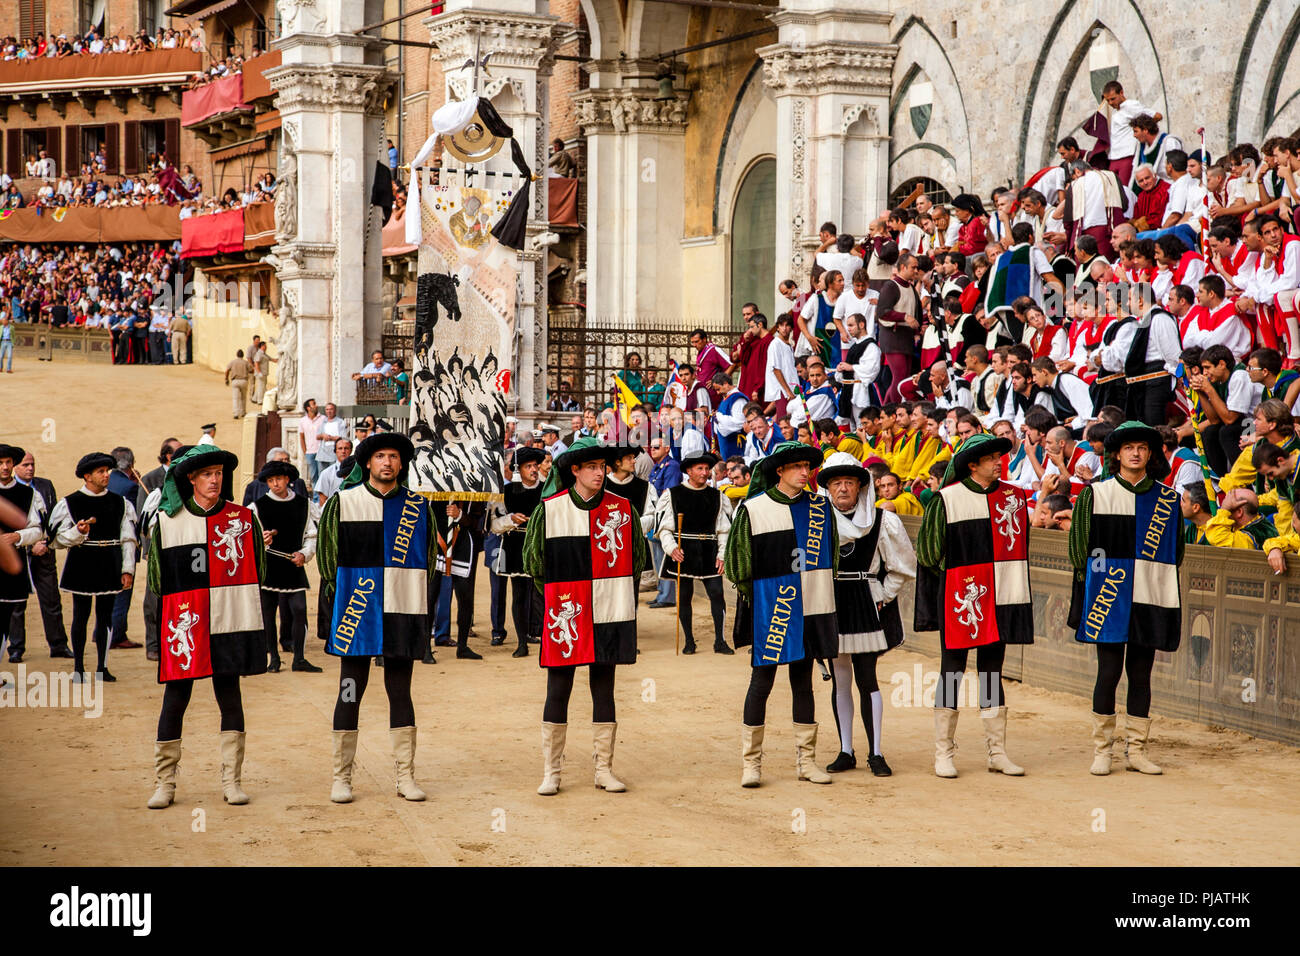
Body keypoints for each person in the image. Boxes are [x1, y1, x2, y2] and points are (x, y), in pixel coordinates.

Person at [522, 437, 648, 796]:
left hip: (610, 608)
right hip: (568, 609)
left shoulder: (623, 508)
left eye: (602, 467)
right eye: (591, 467)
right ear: (574, 470)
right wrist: (566, 594)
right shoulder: (550, 509)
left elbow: (637, 559)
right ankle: (552, 771)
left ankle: (604, 769)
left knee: (603, 687)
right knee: (558, 687)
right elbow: (535, 564)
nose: (599, 473)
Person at [146, 445, 268, 809]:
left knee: (230, 696)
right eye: (206, 474)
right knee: (176, 699)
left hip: (230, 619)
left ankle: (232, 781)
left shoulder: (244, 518)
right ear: (191, 479)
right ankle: (164, 783)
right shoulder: (167, 522)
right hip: (187, 621)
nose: (215, 480)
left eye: (218, 472)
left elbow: (258, 569)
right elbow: (157, 581)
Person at [317, 433, 435, 803]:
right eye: (380, 456)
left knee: (400, 692)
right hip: (358, 613)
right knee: (349, 691)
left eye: (394, 457)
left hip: (402, 608)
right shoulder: (344, 503)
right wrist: (348, 603)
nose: (387, 462)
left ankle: (405, 777)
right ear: (367, 463)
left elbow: (429, 562)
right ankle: (342, 778)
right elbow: (327, 560)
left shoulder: (419, 506)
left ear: (402, 464)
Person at [915, 433, 1033, 778]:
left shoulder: (1015, 496)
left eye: (1000, 456)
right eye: (991, 458)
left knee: (991, 671)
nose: (999, 462)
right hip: (961, 596)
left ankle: (997, 752)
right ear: (972, 464)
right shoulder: (946, 499)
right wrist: (963, 580)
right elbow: (929, 553)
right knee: (952, 669)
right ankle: (943, 752)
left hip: (1002, 594)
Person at [1069, 422, 1183, 775]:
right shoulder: (1095, 494)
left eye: (1143, 448)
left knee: (1141, 675)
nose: (1136, 453)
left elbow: (1176, 552)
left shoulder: (1168, 499)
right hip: (1109, 595)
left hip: (1150, 593)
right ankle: (1102, 750)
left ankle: (1137, 751)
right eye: (1129, 447)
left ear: (1151, 454)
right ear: (1116, 454)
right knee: (1108, 673)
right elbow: (1079, 550)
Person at [724, 441, 838, 788]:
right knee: (762, 683)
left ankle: (807, 762)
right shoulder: (753, 508)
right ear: (780, 470)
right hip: (771, 609)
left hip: (813, 606)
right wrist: (760, 600)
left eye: (808, 466)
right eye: (798, 467)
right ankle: (751, 765)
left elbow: (831, 555)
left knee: (803, 683)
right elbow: (737, 565)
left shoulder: (821, 506)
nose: (806, 473)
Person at [818, 452, 916, 776]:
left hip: (864, 603)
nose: (843, 489)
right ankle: (846, 750)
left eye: (849, 482)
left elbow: (903, 567)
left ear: (860, 487)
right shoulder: (819, 523)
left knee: (866, 676)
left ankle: (876, 753)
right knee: (840, 678)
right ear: (828, 488)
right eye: (836, 483)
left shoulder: (882, 521)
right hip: (831, 604)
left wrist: (883, 595)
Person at [48, 453, 138, 682]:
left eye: (107, 470)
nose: (106, 475)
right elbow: (55, 540)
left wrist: (127, 569)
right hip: (83, 563)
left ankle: (102, 666)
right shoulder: (70, 502)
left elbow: (128, 539)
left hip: (109, 562)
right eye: (101, 471)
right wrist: (77, 532)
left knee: (106, 616)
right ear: (87, 476)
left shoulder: (120, 503)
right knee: (81, 615)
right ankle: (78, 668)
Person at [656, 448, 734, 655]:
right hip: (684, 551)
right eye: (700, 468)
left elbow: (724, 529)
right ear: (689, 471)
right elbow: (664, 528)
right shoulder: (673, 495)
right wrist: (671, 548)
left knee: (717, 593)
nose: (704, 472)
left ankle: (720, 641)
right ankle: (689, 641)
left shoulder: (717, 496)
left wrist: (722, 554)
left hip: (710, 551)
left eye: (707, 468)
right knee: (685, 596)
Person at [248, 460, 322, 673]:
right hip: (270, 566)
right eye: (270, 481)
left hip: (293, 564)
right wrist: (261, 540)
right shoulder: (257, 507)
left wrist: (304, 554)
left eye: (278, 479)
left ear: (287, 479)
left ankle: (299, 658)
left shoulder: (305, 504)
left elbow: (312, 535)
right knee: (268, 613)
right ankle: (274, 658)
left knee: (299, 609)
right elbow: (248, 537)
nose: (275, 484)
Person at [6, 450, 72, 660]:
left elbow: (52, 518)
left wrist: (44, 541)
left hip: (44, 550)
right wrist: (28, 545)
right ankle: (16, 648)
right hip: (17, 552)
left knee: (51, 599)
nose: (30, 468)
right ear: (16, 467)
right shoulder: (7, 490)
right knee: (17, 602)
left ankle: (58, 645)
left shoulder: (45, 485)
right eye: (25, 465)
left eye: (32, 464)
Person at [490, 447, 546, 657]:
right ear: (519, 469)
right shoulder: (507, 492)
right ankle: (522, 642)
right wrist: (510, 520)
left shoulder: (547, 490)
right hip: (515, 547)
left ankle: (546, 637)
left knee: (544, 594)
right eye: (528, 466)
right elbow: (494, 526)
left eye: (535, 466)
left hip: (541, 546)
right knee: (519, 595)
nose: (533, 470)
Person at [0, 445, 46, 662]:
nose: (5, 467)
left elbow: (37, 529)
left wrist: (17, 536)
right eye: (0, 463)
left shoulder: (29, 494)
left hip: (13, 564)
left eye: (9, 462)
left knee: (6, 618)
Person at [225, 349, 252, 419]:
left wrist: (226, 379)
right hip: (243, 381)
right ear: (243, 355)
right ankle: (243, 412)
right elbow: (251, 370)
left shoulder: (233, 362)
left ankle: (236, 413)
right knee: (243, 398)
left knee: (235, 398)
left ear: (237, 355)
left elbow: (227, 370)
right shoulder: (245, 362)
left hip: (235, 381)